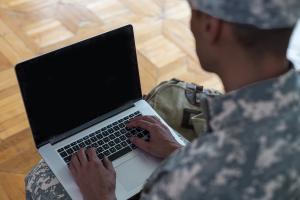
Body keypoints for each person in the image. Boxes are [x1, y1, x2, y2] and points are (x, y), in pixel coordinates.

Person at [26, 0, 300, 199]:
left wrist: (100, 195)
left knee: (38, 180)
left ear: (211, 26)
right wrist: (176, 150)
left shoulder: (185, 181)